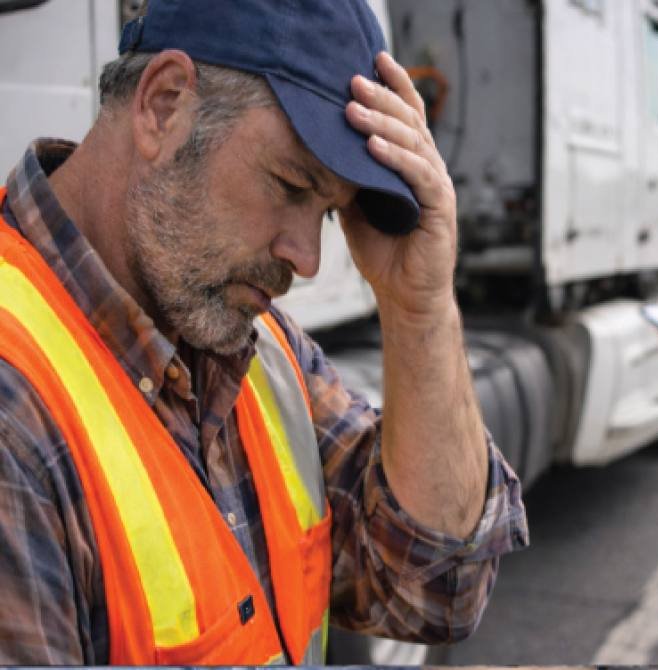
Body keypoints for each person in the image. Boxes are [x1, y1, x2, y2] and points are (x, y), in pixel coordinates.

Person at [0, 0, 528, 664]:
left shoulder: (257, 349)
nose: (306, 259)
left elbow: (434, 589)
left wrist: (417, 309)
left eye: (330, 214)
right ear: (163, 105)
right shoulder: (15, 408)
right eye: (289, 184)